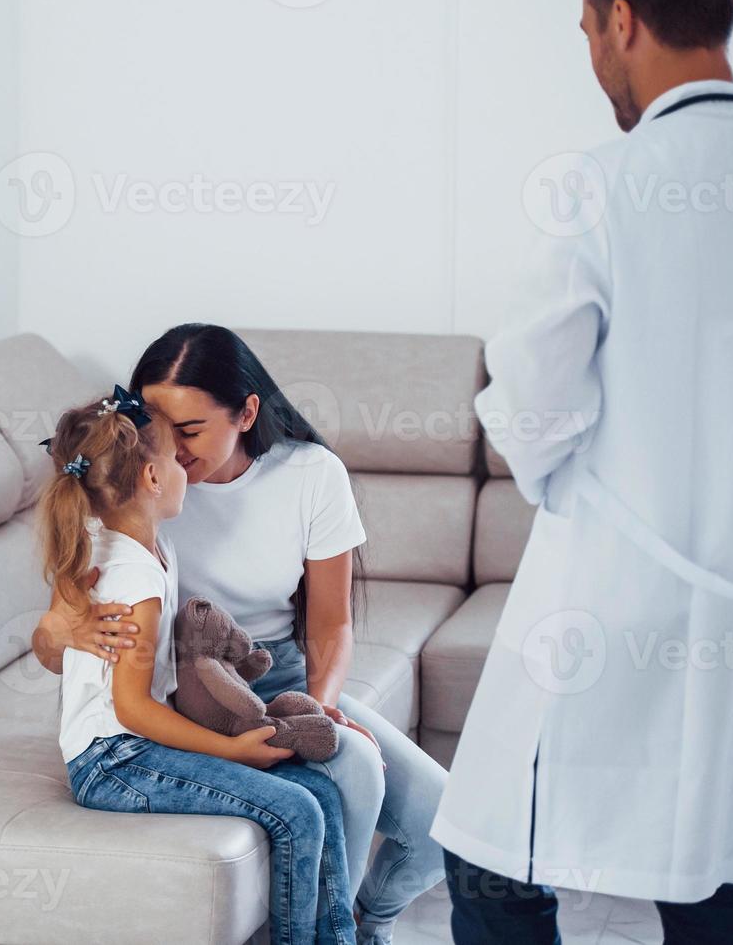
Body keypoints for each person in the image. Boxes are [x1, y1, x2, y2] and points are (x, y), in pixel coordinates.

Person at [431, 0, 733, 942]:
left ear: (620, 19)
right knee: (713, 870)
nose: (592, 58)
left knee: (488, 865)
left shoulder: (596, 185)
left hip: (602, 607)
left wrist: (575, 479)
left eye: (585, 31)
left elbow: (529, 408)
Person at [35, 329, 448, 945]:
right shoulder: (132, 491)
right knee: (351, 767)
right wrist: (66, 632)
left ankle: (365, 921)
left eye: (191, 430)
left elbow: (332, 622)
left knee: (441, 819)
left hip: (269, 667)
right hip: (180, 687)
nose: (174, 446)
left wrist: (323, 703)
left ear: (246, 412)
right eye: (160, 426)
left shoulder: (310, 474)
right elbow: (59, 642)